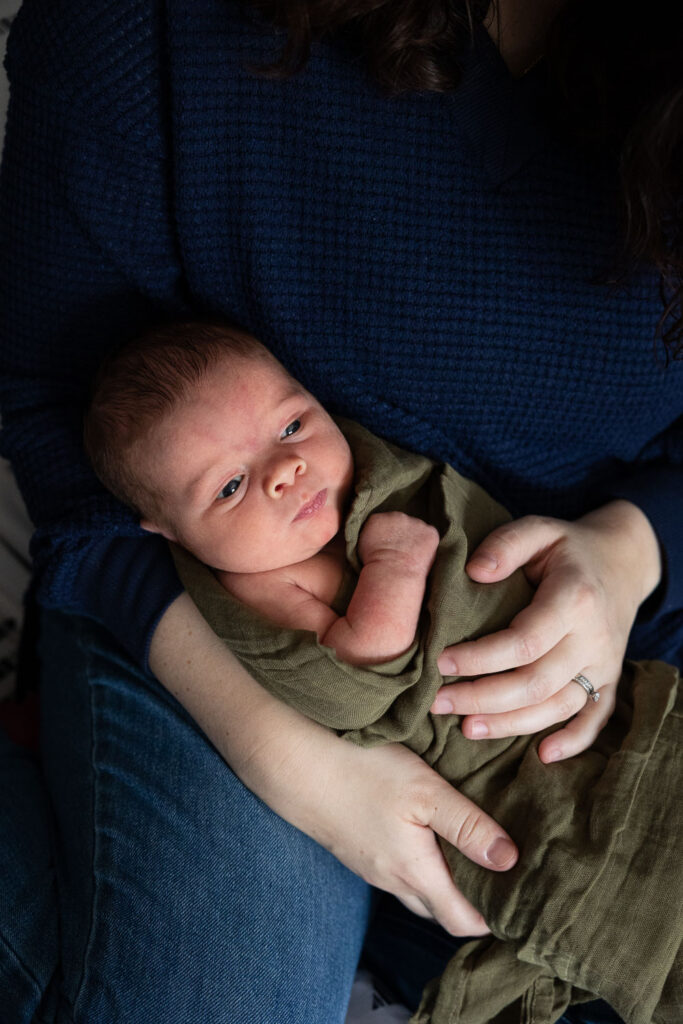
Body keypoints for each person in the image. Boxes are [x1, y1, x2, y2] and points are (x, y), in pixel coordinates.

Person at [0, 1, 681, 1021]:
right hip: (209, 603)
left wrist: (633, 546)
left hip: (620, 614)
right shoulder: (151, 32)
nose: (279, 466)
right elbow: (52, 412)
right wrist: (289, 758)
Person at [83, 319, 682, 1024]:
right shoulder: (262, 584)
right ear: (169, 532)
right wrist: (398, 562)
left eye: (292, 426)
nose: (285, 471)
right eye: (231, 486)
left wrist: (630, 546)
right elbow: (362, 670)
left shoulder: (350, 480)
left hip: (592, 657)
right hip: (491, 764)